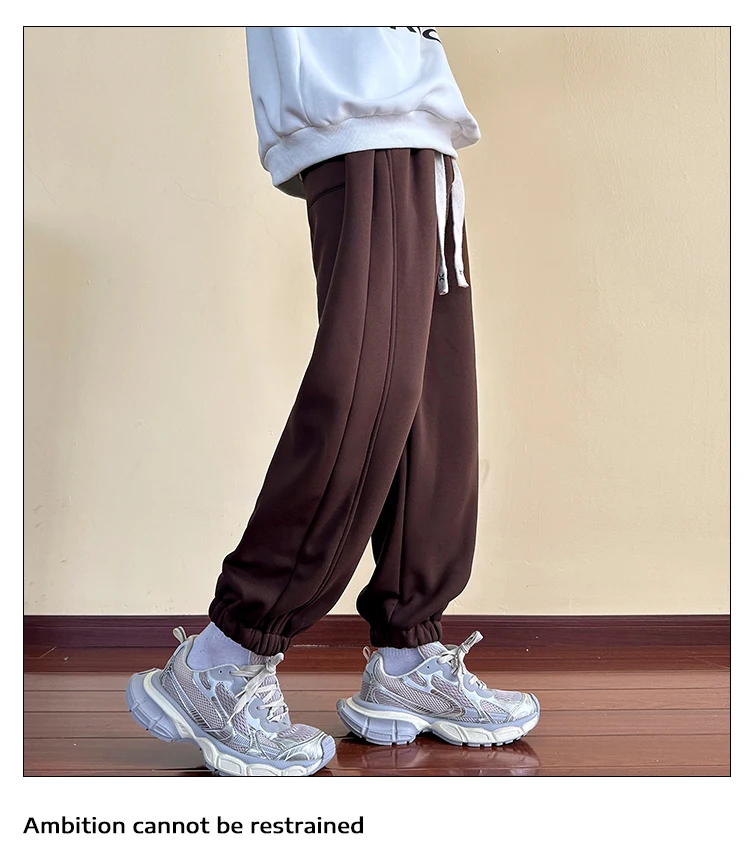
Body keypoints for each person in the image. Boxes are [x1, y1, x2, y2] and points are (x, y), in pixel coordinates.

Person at [126, 26, 540, 777]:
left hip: (416, 123)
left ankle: (408, 656)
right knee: (366, 395)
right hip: (361, 106)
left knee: (433, 404)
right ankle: (223, 656)